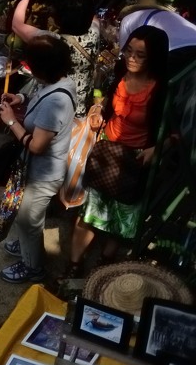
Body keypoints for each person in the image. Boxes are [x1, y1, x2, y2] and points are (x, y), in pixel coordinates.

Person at [64, 26, 169, 279]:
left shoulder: (162, 90)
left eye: (140, 55)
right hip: (106, 153)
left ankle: (104, 261)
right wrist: (100, 112)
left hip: (134, 160)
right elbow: (107, 104)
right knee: (89, 214)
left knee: (120, 219)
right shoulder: (120, 75)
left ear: (153, 58)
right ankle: (74, 266)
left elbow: (174, 132)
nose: (131, 58)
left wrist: (157, 147)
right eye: (129, 51)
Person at [0, 35, 77, 283]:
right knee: (25, 213)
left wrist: (11, 121)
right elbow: (38, 94)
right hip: (35, 169)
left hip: (43, 172)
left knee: (28, 218)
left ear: (44, 69)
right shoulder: (61, 81)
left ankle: (33, 268)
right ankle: (25, 245)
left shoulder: (56, 101)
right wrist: (20, 99)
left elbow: (37, 145)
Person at [11, 0, 98, 116]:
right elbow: (88, 14)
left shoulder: (53, 42)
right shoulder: (95, 32)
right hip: (81, 111)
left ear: (56, 20)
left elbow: (17, 25)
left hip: (56, 113)